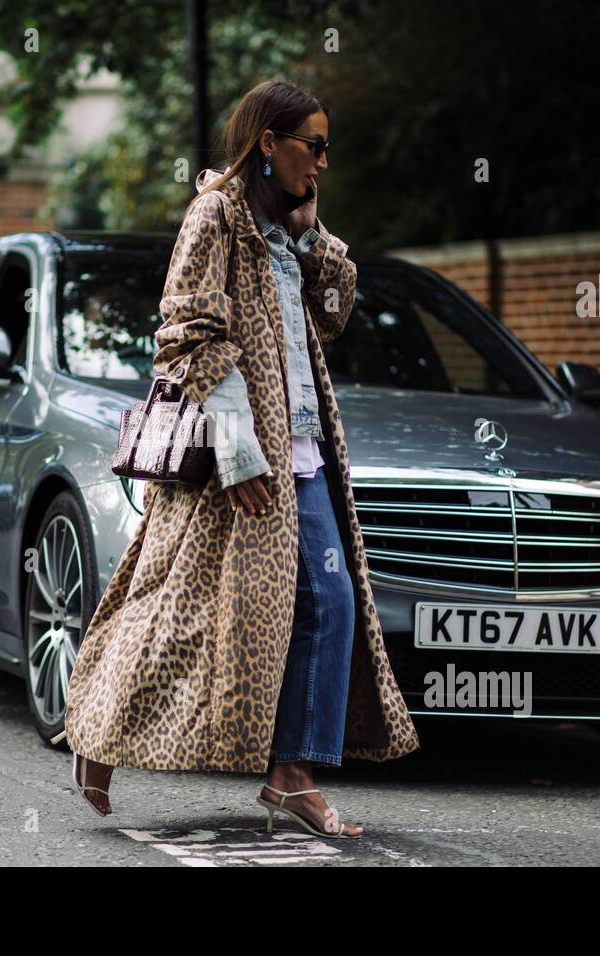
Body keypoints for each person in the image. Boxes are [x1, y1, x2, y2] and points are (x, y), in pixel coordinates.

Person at [58, 80, 419, 838]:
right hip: (237, 459)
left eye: (326, 149)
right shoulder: (214, 214)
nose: (321, 162)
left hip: (305, 453)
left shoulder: (288, 226)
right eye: (311, 146)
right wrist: (239, 453)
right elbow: (188, 333)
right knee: (180, 613)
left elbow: (333, 316)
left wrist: (316, 237)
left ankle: (291, 775)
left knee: (332, 603)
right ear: (268, 143)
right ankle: (96, 731)